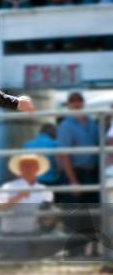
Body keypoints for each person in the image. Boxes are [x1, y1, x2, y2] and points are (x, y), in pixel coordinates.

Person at [57, 92, 99, 256]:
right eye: (73, 102)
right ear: (69, 105)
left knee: (93, 213)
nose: (76, 104)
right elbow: (64, 155)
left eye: (79, 101)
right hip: (74, 174)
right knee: (74, 213)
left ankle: (94, 250)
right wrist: (73, 180)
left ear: (83, 103)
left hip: (92, 173)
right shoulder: (66, 125)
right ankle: (75, 252)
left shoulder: (93, 124)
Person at [0, 154, 54, 258]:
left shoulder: (45, 190)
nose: (28, 168)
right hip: (13, 235)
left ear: (37, 169)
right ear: (20, 169)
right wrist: (17, 197)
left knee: (59, 238)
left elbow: (48, 215)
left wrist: (49, 219)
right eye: (25, 166)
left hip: (36, 233)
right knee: (23, 257)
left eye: (32, 165)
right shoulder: (8, 187)